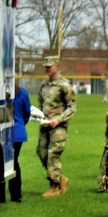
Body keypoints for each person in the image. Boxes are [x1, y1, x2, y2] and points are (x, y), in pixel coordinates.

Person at [36, 56, 76, 198]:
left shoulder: (64, 85)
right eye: (46, 66)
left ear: (57, 67)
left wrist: (58, 120)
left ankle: (54, 187)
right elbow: (42, 104)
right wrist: (40, 116)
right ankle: (61, 179)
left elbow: (72, 108)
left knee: (53, 154)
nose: (47, 69)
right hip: (45, 125)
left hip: (58, 127)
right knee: (42, 153)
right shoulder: (44, 87)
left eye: (50, 66)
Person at [5, 79, 31, 203]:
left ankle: (4, 195)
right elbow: (27, 113)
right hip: (19, 132)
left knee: (6, 163)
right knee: (14, 162)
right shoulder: (23, 93)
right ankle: (16, 194)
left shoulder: (2, 94)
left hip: (6, 132)